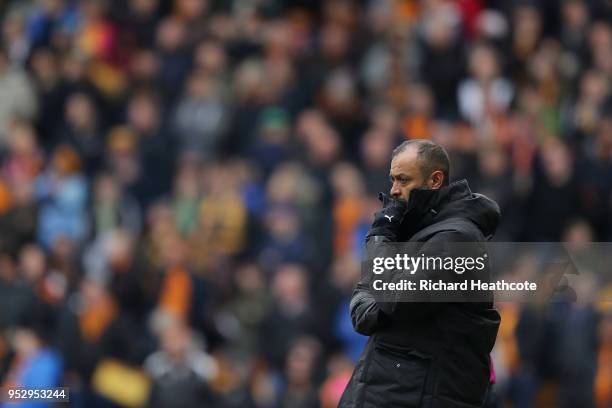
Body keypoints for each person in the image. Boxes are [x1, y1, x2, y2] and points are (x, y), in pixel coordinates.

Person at [339, 139, 501, 408]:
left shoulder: (457, 238)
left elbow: (395, 301)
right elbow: (368, 305)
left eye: (403, 180)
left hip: (419, 394)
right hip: (398, 390)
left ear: (435, 180)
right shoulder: (417, 234)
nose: (393, 191)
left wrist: (380, 237)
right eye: (392, 179)